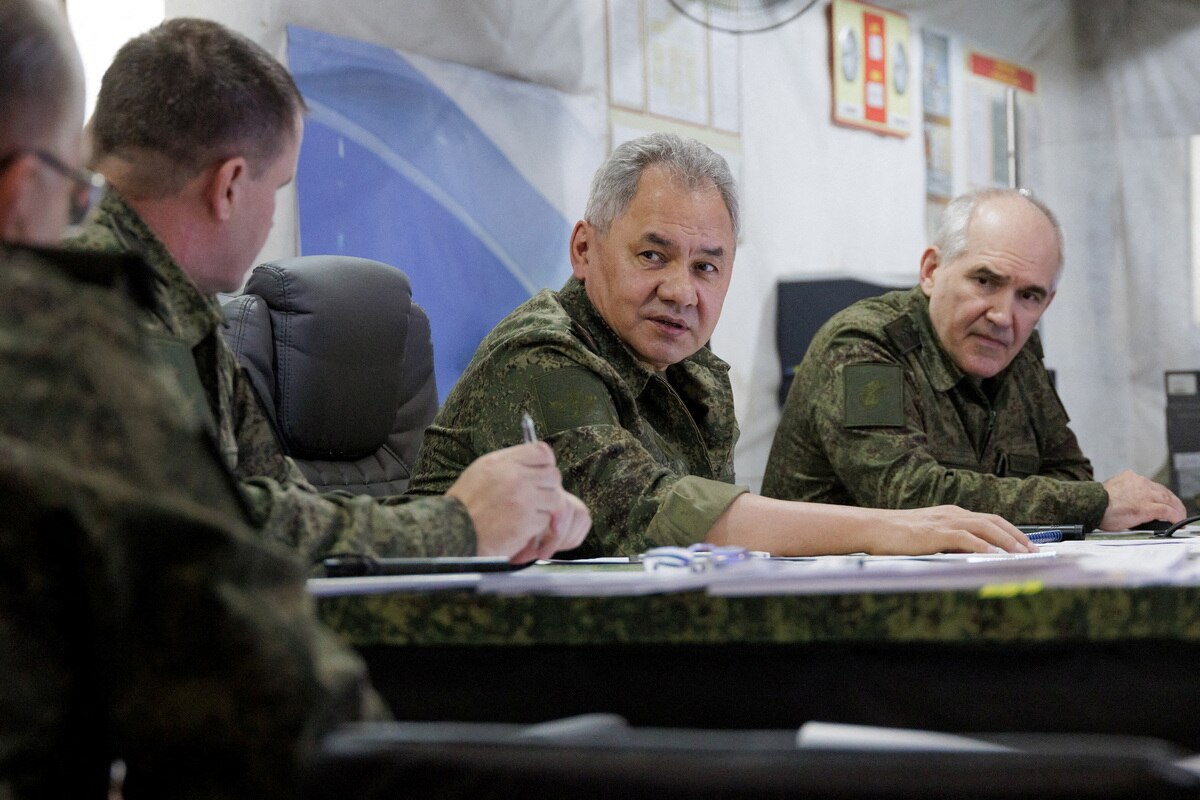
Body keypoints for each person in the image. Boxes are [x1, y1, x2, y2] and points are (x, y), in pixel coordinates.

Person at [0, 1, 386, 795]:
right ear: (17, 188)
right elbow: (265, 693)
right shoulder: (53, 338)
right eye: (73, 186)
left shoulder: (191, 319)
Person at [68, 18, 589, 565]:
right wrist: (454, 528)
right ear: (228, 187)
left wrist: (488, 532)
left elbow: (284, 502)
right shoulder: (81, 297)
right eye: (277, 189)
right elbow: (201, 527)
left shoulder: (177, 306)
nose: (271, 218)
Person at [410, 133, 1034, 557]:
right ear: (583, 249)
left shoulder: (695, 370)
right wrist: (885, 529)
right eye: (652, 255)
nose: (681, 291)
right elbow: (642, 512)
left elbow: (706, 551)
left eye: (708, 267)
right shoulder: (542, 358)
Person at [762, 188, 1186, 532]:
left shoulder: (1018, 354)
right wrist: (1095, 503)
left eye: (1029, 296)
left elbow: (1068, 474)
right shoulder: (864, 346)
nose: (1003, 316)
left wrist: (1080, 502)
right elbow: (908, 496)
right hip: (831, 610)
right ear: (931, 270)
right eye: (985, 281)